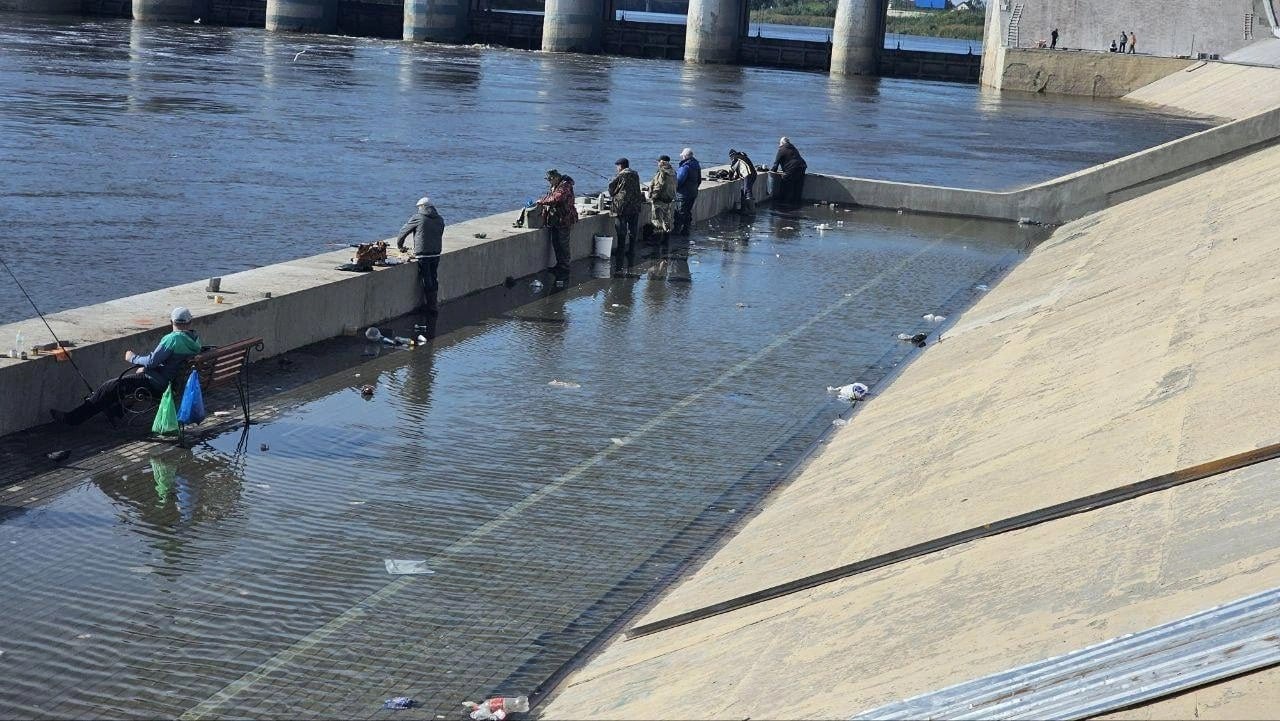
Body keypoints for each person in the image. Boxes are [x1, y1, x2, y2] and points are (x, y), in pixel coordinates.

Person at [50, 307, 202, 426]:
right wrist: (147, 368)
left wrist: (132, 357)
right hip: (175, 384)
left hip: (159, 384)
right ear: (189, 322)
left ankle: (73, 419)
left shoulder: (173, 339)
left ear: (172, 322)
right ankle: (116, 411)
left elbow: (151, 361)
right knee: (124, 385)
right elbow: (171, 363)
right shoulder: (194, 340)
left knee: (109, 386)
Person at [396, 195, 445, 320]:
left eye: (419, 207)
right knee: (434, 277)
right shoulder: (440, 219)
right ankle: (433, 304)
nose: (418, 210)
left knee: (426, 278)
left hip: (423, 253)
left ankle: (430, 307)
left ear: (422, 207)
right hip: (436, 252)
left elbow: (403, 232)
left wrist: (400, 245)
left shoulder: (418, 218)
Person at [535, 169, 578, 287]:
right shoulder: (556, 185)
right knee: (556, 243)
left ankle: (564, 268)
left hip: (564, 219)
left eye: (550, 179)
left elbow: (557, 198)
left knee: (563, 244)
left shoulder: (565, 185)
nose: (549, 182)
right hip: (556, 220)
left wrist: (542, 201)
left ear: (555, 178)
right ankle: (559, 265)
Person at [607, 157, 642, 273]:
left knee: (621, 230)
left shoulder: (620, 175)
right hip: (635, 206)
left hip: (622, 207)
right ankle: (631, 250)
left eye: (617, 166)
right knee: (633, 229)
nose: (617, 168)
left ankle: (620, 252)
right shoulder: (635, 174)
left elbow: (611, 189)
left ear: (620, 166)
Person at [649, 155, 677, 253]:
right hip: (668, 200)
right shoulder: (673, 172)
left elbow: (658, 186)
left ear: (662, 162)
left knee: (657, 220)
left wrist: (653, 197)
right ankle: (666, 241)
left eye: (659, 161)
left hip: (659, 200)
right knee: (667, 220)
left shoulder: (662, 172)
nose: (658, 163)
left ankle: (656, 242)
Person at [771, 136, 808, 206]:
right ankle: (796, 203)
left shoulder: (782, 149)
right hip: (802, 167)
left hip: (792, 169)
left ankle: (783, 203)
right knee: (797, 187)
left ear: (782, 143)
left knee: (785, 184)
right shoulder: (794, 148)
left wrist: (772, 170)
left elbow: (776, 164)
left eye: (779, 143)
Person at [674, 148, 701, 237]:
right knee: (688, 211)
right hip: (693, 193)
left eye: (682, 156)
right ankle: (686, 230)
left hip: (683, 194)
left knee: (680, 212)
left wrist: (675, 188)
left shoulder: (686, 167)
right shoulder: (696, 165)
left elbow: (679, 181)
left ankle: (677, 231)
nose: (682, 157)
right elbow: (699, 180)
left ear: (685, 156)